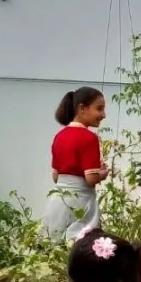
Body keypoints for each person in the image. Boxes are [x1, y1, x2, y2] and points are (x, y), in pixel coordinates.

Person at [42, 87, 109, 240]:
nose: (103, 115)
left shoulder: (59, 136)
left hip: (58, 202)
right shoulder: (88, 138)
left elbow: (55, 176)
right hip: (80, 203)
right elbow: (91, 178)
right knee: (82, 247)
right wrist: (102, 173)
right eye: (99, 109)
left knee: (54, 246)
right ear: (82, 109)